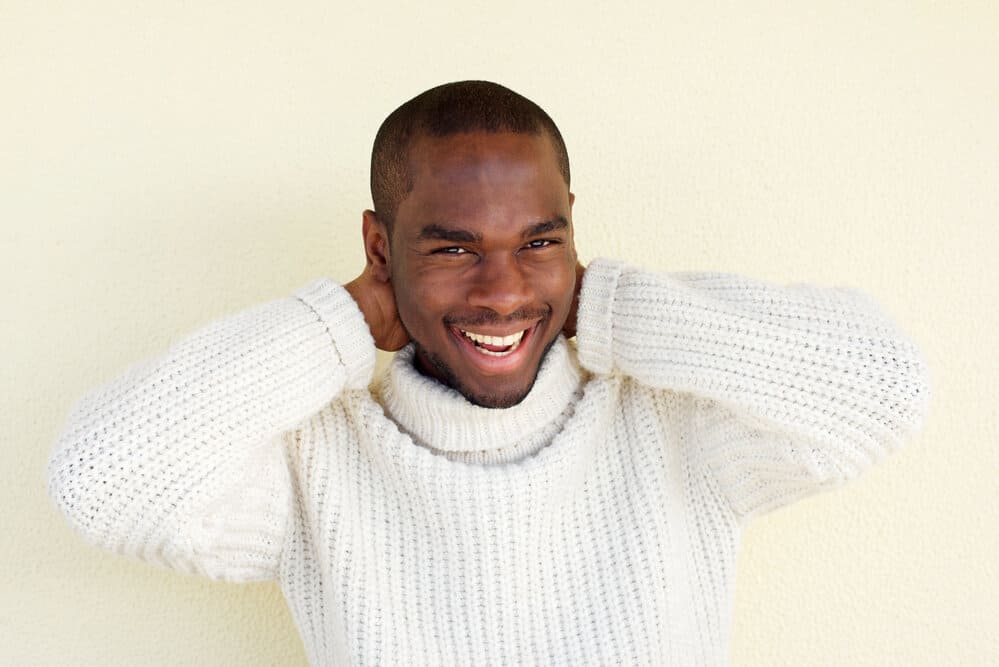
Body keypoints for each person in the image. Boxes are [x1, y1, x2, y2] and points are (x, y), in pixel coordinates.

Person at [47, 80, 930, 666]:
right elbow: (99, 480)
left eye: (537, 242)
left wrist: (603, 306)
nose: (503, 290)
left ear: (573, 230)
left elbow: (881, 384)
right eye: (453, 248)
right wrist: (348, 319)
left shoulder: (672, 422)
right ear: (378, 247)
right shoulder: (315, 459)